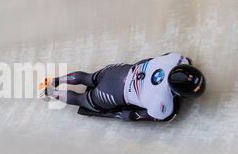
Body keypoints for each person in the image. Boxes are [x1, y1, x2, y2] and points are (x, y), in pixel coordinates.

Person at [38, 53, 206, 122]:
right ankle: (50, 92)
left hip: (117, 71)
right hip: (111, 94)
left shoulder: (175, 59)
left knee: (89, 78)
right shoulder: (162, 104)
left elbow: (150, 59)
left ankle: (55, 80)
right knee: (83, 100)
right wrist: (115, 114)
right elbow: (134, 115)